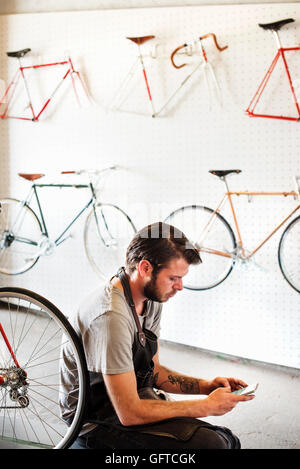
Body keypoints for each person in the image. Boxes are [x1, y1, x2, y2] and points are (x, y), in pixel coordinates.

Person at [60, 222, 254, 449]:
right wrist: (205, 405)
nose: (180, 286)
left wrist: (206, 386)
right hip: (94, 420)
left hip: (132, 398)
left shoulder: (149, 299)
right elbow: (129, 414)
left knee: (227, 440)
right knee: (213, 445)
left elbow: (154, 372)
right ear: (145, 268)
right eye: (173, 278)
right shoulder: (111, 316)